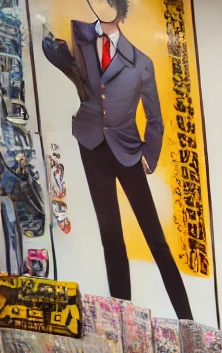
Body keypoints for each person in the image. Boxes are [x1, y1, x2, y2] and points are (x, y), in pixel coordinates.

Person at [39, 0, 194, 320]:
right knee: (111, 236)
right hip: (91, 144)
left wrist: (148, 158)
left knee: (156, 239)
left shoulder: (141, 62)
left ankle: (188, 320)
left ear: (119, 8)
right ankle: (122, 321)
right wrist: (60, 59)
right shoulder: (80, 35)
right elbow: (83, 83)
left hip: (128, 151)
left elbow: (155, 120)